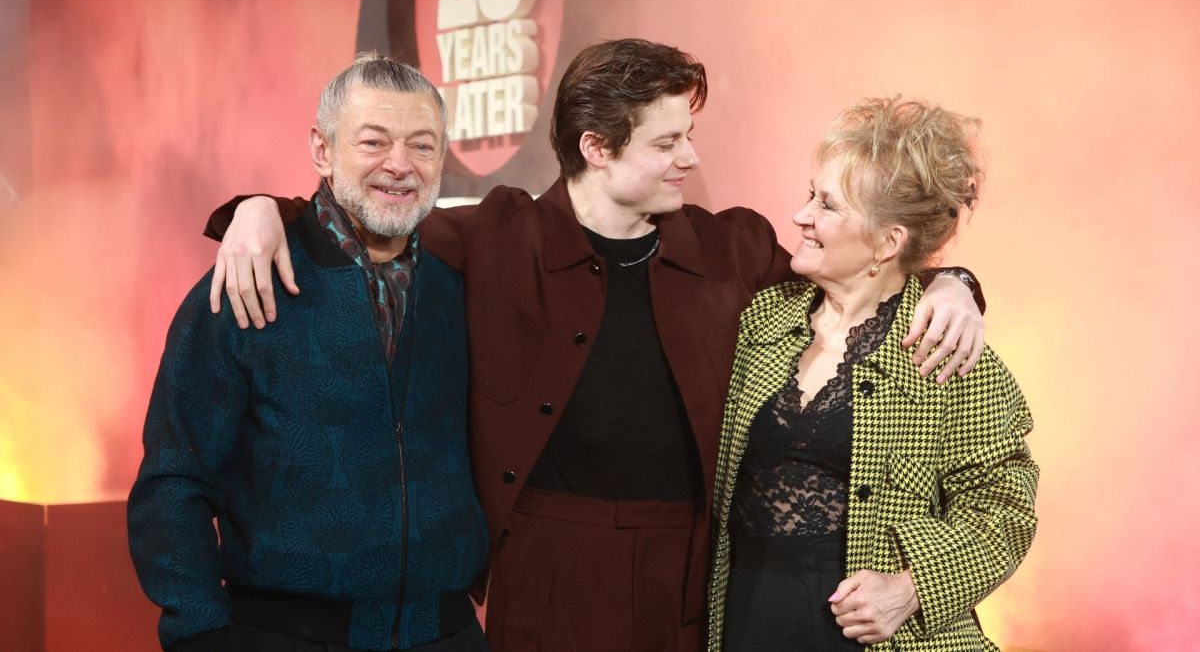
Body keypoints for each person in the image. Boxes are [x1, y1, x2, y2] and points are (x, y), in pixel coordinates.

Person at [203, 40, 987, 652]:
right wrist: (259, 210)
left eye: (691, 135)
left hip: (688, 572)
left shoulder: (731, 247)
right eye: (668, 142)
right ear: (598, 148)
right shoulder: (495, 235)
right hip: (545, 567)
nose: (691, 158)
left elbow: (862, 274)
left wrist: (954, 279)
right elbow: (375, 213)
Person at [128, 53, 490, 652]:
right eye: (374, 142)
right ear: (322, 150)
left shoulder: (464, 285)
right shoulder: (247, 281)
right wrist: (198, 633)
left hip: (447, 634)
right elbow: (175, 479)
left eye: (422, 146)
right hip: (283, 634)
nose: (400, 165)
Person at [706, 97, 1038, 651]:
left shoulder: (946, 347)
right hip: (748, 616)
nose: (801, 216)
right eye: (809, 194)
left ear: (888, 242)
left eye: (828, 205)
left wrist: (914, 586)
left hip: (876, 633)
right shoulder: (760, 320)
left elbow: (1005, 507)